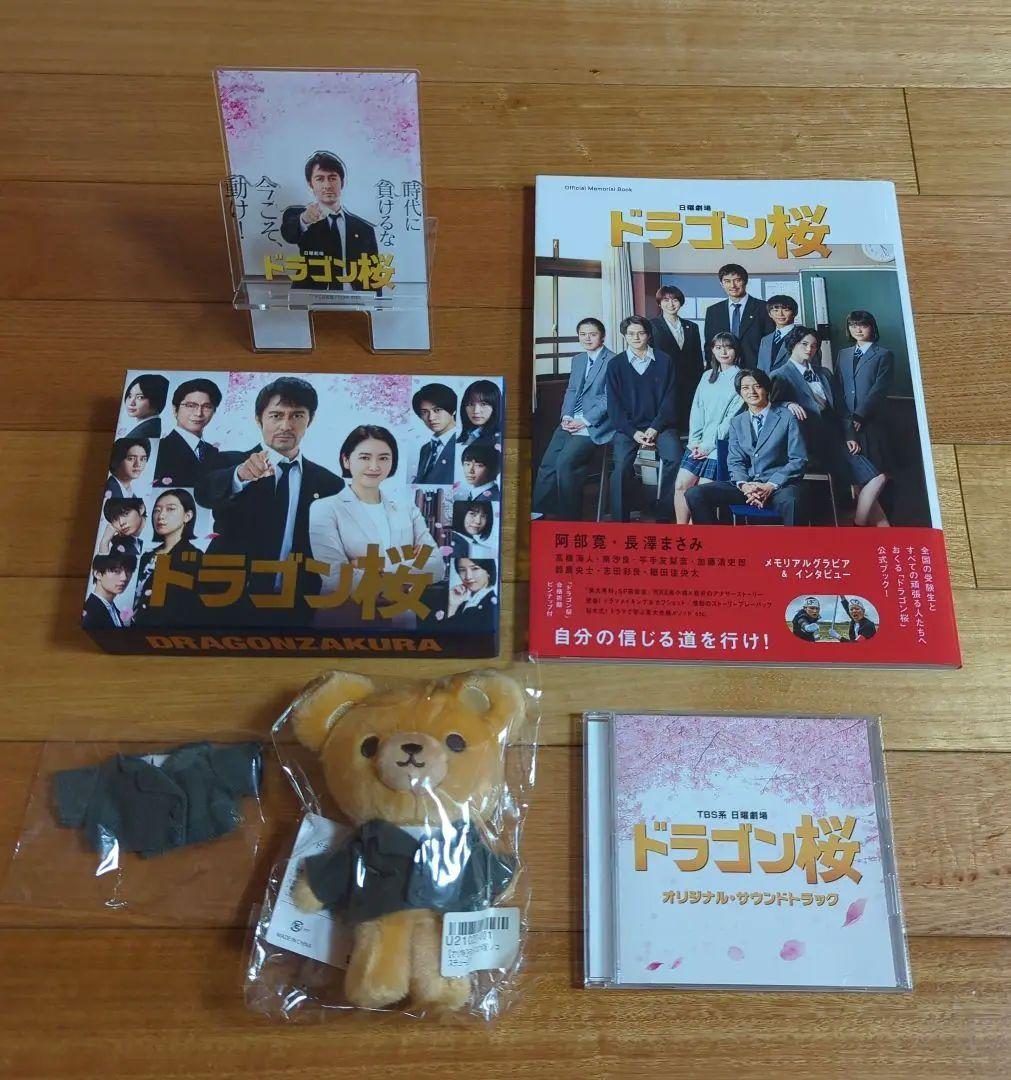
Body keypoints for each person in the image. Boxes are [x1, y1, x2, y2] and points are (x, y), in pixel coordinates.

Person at [195, 376, 343, 606]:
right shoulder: (228, 462)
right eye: (276, 415)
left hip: (296, 604)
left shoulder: (329, 484)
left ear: (310, 419)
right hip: (225, 598)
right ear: (259, 419)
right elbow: (204, 493)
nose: (286, 425)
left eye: (297, 415)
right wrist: (240, 475)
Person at [308, 425, 445, 628]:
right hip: (346, 621)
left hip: (401, 623)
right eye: (364, 457)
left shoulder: (407, 509)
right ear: (346, 460)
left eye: (383, 458)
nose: (374, 466)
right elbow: (335, 578)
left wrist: (369, 565)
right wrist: (406, 563)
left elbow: (437, 567)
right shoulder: (325, 508)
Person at [772, 325, 881, 525]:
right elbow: (771, 409)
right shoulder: (780, 374)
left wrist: (850, 436)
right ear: (793, 344)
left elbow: (841, 409)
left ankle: (862, 525)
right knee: (864, 482)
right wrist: (787, 404)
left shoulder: (824, 373)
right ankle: (863, 525)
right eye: (804, 344)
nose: (809, 349)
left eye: (814, 346)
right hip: (808, 444)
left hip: (836, 438)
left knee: (875, 478)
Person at [685, 368, 807, 525]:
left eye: (757, 386)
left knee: (793, 501)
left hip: (779, 486)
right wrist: (745, 486)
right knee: (695, 494)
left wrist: (770, 485)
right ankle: (715, 539)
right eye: (745, 388)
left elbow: (798, 459)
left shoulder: (787, 417)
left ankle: (794, 542)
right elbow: (735, 461)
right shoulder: (737, 422)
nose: (752, 392)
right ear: (740, 393)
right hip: (747, 485)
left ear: (767, 389)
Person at [531, 317, 616, 520]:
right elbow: (571, 390)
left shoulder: (613, 361)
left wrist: (584, 420)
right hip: (572, 420)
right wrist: (566, 416)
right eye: (583, 334)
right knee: (548, 464)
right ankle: (539, 511)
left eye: (592, 334)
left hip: (594, 424)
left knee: (565, 463)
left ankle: (570, 518)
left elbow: (609, 398)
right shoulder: (578, 359)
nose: (587, 338)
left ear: (603, 336)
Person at [604, 315, 679, 522]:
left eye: (641, 333)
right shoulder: (615, 365)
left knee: (674, 458)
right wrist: (633, 432)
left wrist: (655, 427)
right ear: (624, 336)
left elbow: (670, 399)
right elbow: (614, 406)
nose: (636, 337)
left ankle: (664, 515)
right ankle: (620, 521)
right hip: (629, 428)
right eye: (631, 334)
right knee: (620, 467)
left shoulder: (664, 360)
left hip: (661, 425)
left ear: (648, 335)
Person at [280, 150, 379, 292]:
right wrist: (305, 219)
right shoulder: (298, 215)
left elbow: (373, 275)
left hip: (355, 299)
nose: (327, 185)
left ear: (342, 182)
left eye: (332, 178)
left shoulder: (364, 229)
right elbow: (289, 234)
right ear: (310, 184)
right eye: (320, 179)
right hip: (311, 298)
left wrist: (375, 302)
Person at [673, 332, 744, 524]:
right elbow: (696, 410)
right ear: (712, 350)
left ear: (736, 351)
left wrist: (707, 445)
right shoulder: (707, 376)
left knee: (700, 492)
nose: (723, 352)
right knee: (681, 485)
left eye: (728, 347)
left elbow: (731, 420)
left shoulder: (741, 377)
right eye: (718, 347)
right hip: (698, 444)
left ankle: (697, 535)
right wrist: (694, 442)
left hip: (719, 445)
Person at [836, 310, 894, 527]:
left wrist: (860, 415)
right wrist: (847, 420)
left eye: (863, 325)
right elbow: (838, 389)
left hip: (873, 423)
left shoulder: (883, 354)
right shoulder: (843, 354)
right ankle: (883, 528)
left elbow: (879, 389)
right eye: (853, 325)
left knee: (878, 475)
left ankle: (859, 525)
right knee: (860, 479)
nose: (858, 330)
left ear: (872, 327)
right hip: (847, 424)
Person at [133, 489, 204, 625]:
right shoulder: (145, 557)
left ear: (187, 516)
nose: (161, 516)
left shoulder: (195, 558)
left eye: (170, 509)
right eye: (157, 510)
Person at [649, 285, 704, 435]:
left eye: (675, 300)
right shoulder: (652, 325)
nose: (671, 304)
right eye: (666, 300)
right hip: (663, 382)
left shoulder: (691, 326)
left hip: (688, 384)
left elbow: (697, 359)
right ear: (659, 303)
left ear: (680, 302)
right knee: (667, 426)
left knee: (688, 425)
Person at [153, 378, 223, 488]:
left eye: (207, 407)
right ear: (175, 410)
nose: (198, 413)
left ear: (214, 411)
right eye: (191, 406)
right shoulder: (158, 449)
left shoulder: (212, 452)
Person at [703, 263, 774, 367]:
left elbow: (769, 344)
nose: (733, 286)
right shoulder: (713, 311)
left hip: (754, 369)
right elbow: (709, 345)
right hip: (723, 369)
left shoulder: (763, 308)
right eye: (727, 281)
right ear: (721, 284)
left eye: (737, 280)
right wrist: (713, 370)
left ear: (745, 281)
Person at [411, 383, 458, 485]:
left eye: (437, 410)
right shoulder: (426, 448)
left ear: (453, 410)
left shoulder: (462, 443)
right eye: (425, 412)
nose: (431, 418)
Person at [83, 553, 136, 629]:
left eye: (128, 571)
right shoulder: (89, 612)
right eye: (116, 571)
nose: (124, 578)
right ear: (98, 574)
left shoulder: (116, 612)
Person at [446, 557, 498, 628]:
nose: (468, 577)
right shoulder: (463, 604)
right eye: (462, 570)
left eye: (475, 569)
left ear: (488, 571)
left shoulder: (491, 606)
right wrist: (453, 606)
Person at [757, 295, 799, 373]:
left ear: (794, 313)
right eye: (775, 310)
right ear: (769, 314)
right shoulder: (765, 340)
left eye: (786, 310)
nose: (780, 314)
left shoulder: (802, 336)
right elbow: (761, 368)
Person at [122, 374, 169, 439]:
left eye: (140, 397)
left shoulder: (144, 432)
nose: (131, 403)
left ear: (157, 400)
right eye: (130, 396)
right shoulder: (152, 426)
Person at [458, 379, 502, 448]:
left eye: (483, 404)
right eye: (470, 404)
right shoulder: (468, 435)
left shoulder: (498, 440)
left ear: (495, 407)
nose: (476, 411)